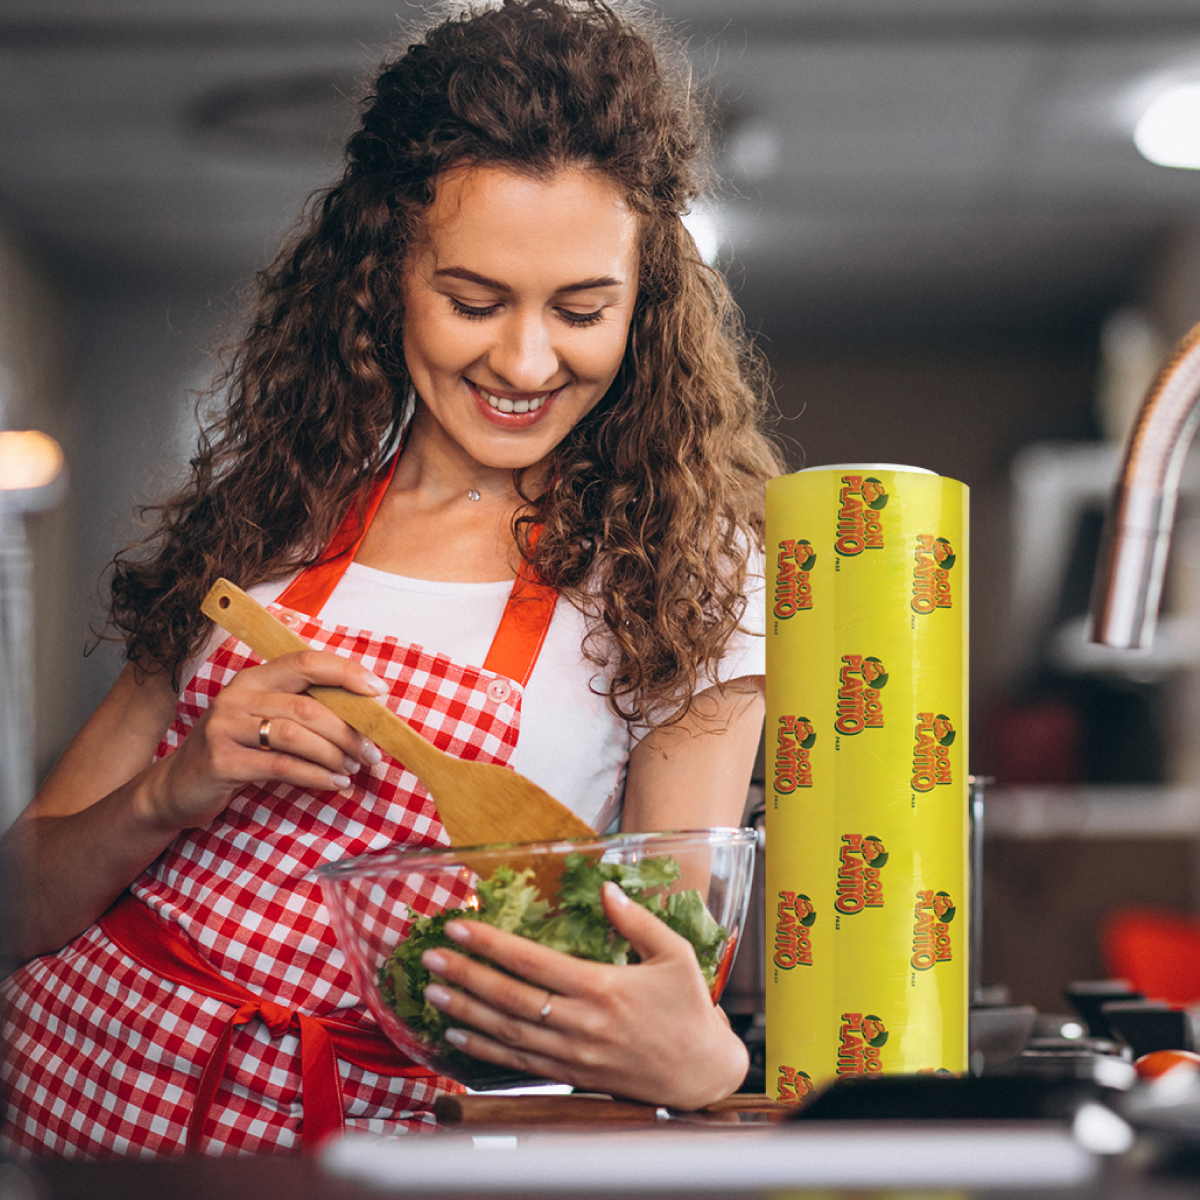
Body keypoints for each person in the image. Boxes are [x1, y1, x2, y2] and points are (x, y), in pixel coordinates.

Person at [1, 0, 783, 1159]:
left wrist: (709, 1063)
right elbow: (20, 905)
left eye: (583, 309)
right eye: (474, 301)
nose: (524, 362)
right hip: (67, 1095)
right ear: (381, 274)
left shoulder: (683, 582)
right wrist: (175, 791)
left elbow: (658, 980)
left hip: (362, 1148)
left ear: (647, 300)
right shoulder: (273, 513)